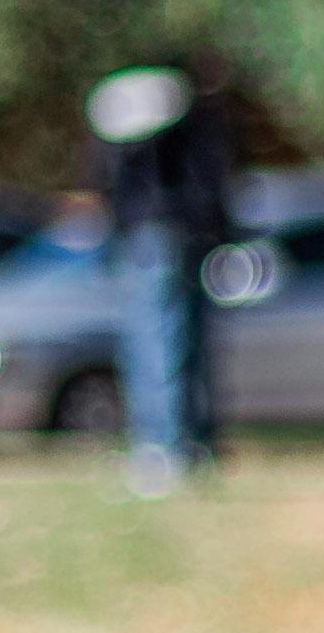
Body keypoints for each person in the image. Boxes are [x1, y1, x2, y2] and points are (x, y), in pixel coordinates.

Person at [87, 61, 238, 496]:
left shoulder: (145, 127)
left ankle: (165, 447)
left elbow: (104, 186)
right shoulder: (189, 123)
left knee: (158, 345)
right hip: (178, 239)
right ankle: (185, 444)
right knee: (176, 343)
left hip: (151, 241)